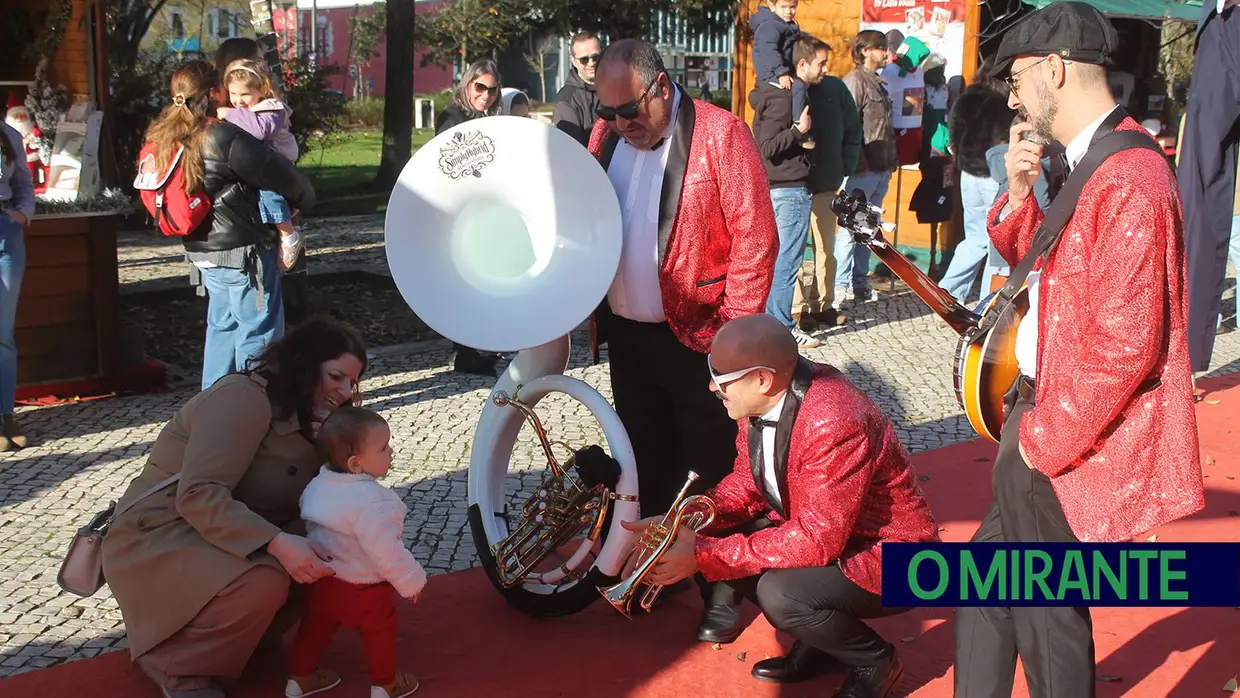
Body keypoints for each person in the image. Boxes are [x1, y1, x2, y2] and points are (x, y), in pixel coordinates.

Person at [954, 4, 1205, 696]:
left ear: (1054, 70)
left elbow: (1127, 343)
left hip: (1062, 434)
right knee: (988, 588)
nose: (1012, 95)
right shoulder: (1099, 154)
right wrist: (1018, 193)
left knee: (1048, 622)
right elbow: (1046, 265)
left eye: (1017, 78)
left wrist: (1040, 442)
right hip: (1043, 417)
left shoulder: (1129, 174)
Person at [621, 313, 938, 698]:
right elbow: (748, 483)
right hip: (839, 538)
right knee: (720, 540)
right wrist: (683, 520)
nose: (711, 386)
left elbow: (817, 540)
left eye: (721, 378)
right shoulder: (763, 399)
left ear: (762, 379)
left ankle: (875, 662)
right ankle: (820, 644)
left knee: (781, 594)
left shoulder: (834, 419)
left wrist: (703, 555)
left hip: (896, 559)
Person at [586, 39, 778, 644]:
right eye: (608, 112)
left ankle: (720, 587)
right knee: (647, 460)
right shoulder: (606, 137)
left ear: (662, 87)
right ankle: (656, 572)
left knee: (712, 469)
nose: (619, 124)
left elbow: (757, 238)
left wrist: (733, 341)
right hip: (629, 336)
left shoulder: (722, 134)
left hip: (702, 337)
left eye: (629, 112)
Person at [101, 317, 369, 698]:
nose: (344, 392)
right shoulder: (241, 398)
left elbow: (318, 497)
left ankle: (243, 638)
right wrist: (277, 543)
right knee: (267, 577)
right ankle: (179, 670)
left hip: (225, 530)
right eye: (336, 377)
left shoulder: (310, 412)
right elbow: (198, 495)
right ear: (303, 365)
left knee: (337, 545)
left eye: (352, 383)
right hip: (162, 532)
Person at [142, 61, 314, 391]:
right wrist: (306, 199)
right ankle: (256, 407)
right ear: (212, 93)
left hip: (201, 250)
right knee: (259, 332)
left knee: (221, 328)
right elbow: (278, 174)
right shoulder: (221, 136)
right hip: (243, 250)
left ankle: (212, 408)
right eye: (222, 89)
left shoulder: (166, 132)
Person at [285, 406, 423, 698]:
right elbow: (385, 550)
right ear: (356, 463)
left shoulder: (317, 485)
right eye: (384, 448)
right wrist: (410, 580)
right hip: (364, 588)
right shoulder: (373, 500)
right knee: (379, 632)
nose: (392, 451)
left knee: (314, 628)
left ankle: (300, 678)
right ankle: (385, 685)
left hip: (325, 581)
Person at [749, 33, 831, 347]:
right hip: (789, 189)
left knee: (778, 259)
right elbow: (766, 146)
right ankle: (781, 327)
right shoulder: (783, 99)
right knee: (786, 261)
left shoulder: (791, 95)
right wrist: (798, 131)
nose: (825, 69)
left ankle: (773, 324)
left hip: (784, 187)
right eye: (821, 63)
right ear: (802, 64)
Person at [434, 59, 504, 378]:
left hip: (485, 210)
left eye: (492, 89)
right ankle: (466, 352)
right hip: (461, 211)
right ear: (467, 84)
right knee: (466, 282)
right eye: (480, 87)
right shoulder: (452, 117)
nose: (486, 94)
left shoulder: (487, 117)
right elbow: (448, 164)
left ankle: (477, 347)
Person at [793, 59, 862, 331]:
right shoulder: (790, 88)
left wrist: (844, 166)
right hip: (793, 184)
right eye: (819, 63)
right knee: (793, 252)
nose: (825, 68)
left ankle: (823, 305)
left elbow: (853, 130)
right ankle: (797, 309)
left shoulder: (835, 88)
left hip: (825, 182)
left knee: (826, 249)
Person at [219, 59, 303, 273]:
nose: (238, 101)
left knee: (270, 195)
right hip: (263, 165)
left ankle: (288, 235)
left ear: (262, 89)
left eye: (244, 95)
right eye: (233, 94)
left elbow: (259, 131)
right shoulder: (248, 110)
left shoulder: (272, 109)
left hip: (277, 166)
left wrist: (229, 114)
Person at [834, 31, 897, 310]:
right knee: (849, 227)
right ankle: (839, 285)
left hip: (881, 166)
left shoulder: (879, 83)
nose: (886, 53)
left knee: (867, 227)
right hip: (863, 167)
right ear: (864, 51)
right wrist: (856, 161)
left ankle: (859, 281)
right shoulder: (855, 81)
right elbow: (847, 126)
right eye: (880, 48)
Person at [0, 119, 33, 450]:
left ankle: (6, 414)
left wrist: (23, 212)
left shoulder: (7, 134)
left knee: (2, 333)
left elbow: (24, 183)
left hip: (5, 233)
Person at [749, 0, 813, 149]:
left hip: (778, 71)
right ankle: (799, 126)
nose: (789, 11)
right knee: (798, 87)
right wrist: (781, 72)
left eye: (792, 7)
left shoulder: (785, 25)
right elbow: (769, 51)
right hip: (770, 73)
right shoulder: (770, 26)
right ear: (772, 6)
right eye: (783, 7)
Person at [551, 32, 603, 146]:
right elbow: (571, 150)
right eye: (584, 59)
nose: (591, 63)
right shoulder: (566, 101)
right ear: (573, 60)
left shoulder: (614, 88)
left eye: (596, 57)